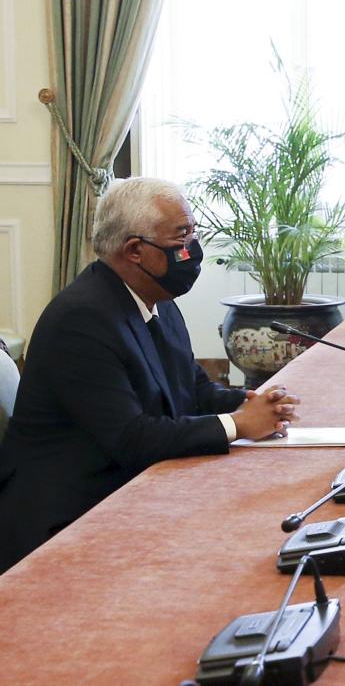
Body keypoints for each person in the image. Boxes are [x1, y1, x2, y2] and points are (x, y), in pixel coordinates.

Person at [0, 178, 300, 573]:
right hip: (67, 518)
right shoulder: (81, 320)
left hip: (126, 490)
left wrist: (252, 404)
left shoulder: (157, 299)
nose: (193, 247)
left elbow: (188, 386)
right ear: (135, 250)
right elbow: (130, 438)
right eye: (183, 235)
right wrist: (237, 425)